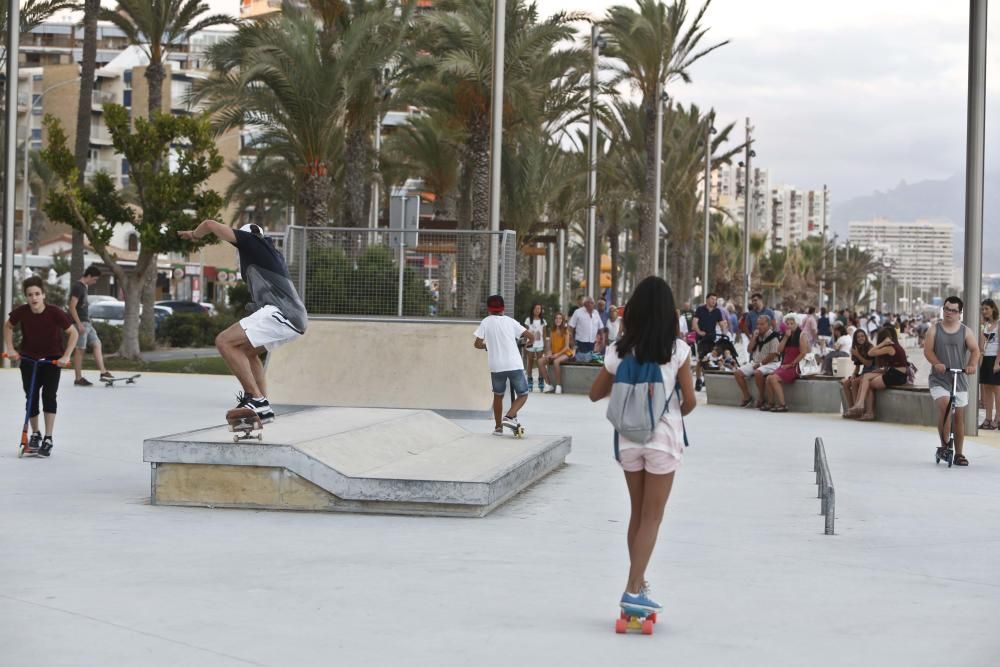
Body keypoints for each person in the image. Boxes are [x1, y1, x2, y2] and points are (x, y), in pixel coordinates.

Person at [587, 276, 696, 615]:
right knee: (653, 517)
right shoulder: (677, 350)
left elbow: (594, 393)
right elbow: (690, 401)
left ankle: (638, 581)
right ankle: (633, 589)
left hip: (628, 440)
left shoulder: (619, 350)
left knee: (637, 513)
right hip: (662, 439)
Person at [177, 221, 307, 424]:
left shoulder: (252, 241)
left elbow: (210, 224)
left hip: (283, 313)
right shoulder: (269, 254)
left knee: (224, 341)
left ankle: (255, 398)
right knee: (247, 352)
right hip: (292, 318)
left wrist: (195, 234)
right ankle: (263, 406)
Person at [3, 276, 78, 456]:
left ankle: (48, 438)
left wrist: (66, 355)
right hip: (29, 359)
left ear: (43, 295)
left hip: (51, 360)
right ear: (26, 297)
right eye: (30, 295)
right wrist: (11, 349)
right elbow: (7, 326)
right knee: (31, 397)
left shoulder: (55, 312)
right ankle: (35, 434)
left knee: (49, 396)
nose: (34, 298)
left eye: (37, 294)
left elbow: (73, 333)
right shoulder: (22, 312)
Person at [924, 296, 980, 466]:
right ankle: (945, 446)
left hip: (959, 378)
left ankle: (959, 454)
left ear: (959, 313)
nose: (949, 312)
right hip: (939, 378)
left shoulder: (965, 331)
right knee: (945, 405)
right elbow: (928, 351)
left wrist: (971, 365)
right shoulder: (934, 329)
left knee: (959, 418)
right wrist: (937, 363)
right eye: (946, 308)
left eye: (953, 310)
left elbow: (975, 350)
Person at [474, 295, 534, 435]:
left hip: (496, 366)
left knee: (498, 395)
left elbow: (477, 344)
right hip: (514, 364)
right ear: (503, 308)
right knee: (523, 394)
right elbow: (531, 336)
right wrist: (527, 344)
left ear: (489, 309)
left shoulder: (485, 322)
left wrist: (487, 346)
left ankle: (498, 427)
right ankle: (510, 416)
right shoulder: (510, 321)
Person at [845, 326, 909, 420]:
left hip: (897, 375)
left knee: (869, 383)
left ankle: (866, 409)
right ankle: (862, 407)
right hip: (894, 373)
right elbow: (891, 366)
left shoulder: (890, 347)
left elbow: (870, 353)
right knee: (867, 377)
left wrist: (883, 343)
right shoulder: (894, 347)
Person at [68, 264, 112, 386]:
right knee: (80, 350)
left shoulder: (84, 287)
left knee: (97, 344)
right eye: (95, 279)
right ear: (88, 276)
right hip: (80, 323)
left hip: (87, 323)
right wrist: (78, 324)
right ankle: (78, 378)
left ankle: (103, 372)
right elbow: (72, 307)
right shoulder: (78, 287)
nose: (95, 282)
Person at [763, 314, 809, 412]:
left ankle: (783, 405)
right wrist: (785, 338)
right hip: (785, 365)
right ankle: (771, 403)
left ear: (797, 324)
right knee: (768, 378)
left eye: (792, 323)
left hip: (795, 366)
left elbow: (803, 353)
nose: (789, 325)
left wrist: (791, 364)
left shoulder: (802, 335)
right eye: (787, 323)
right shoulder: (786, 335)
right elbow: (779, 349)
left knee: (774, 378)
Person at [734, 315, 781, 408]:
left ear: (768, 325)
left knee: (758, 372)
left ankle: (761, 397)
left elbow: (773, 354)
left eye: (762, 324)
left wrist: (760, 364)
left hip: (772, 363)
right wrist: (754, 338)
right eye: (758, 324)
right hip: (756, 362)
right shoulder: (758, 336)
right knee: (737, 373)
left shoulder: (773, 337)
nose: (759, 326)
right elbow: (749, 350)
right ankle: (747, 397)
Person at [692, 293, 723, 391]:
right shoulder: (700, 309)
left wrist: (724, 333)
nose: (714, 301)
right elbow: (694, 323)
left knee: (710, 359)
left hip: (712, 338)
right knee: (701, 360)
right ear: (707, 299)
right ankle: (698, 380)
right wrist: (699, 332)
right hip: (701, 339)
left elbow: (722, 323)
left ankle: (707, 378)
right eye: (712, 299)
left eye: (715, 299)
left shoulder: (717, 311)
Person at [842, 329, 876, 414]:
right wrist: (854, 374)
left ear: (866, 337)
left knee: (854, 382)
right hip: (864, 372)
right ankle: (851, 408)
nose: (861, 338)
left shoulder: (870, 347)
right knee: (846, 383)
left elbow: (868, 364)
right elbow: (857, 367)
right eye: (858, 337)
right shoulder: (857, 348)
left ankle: (857, 409)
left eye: (862, 336)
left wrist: (857, 354)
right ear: (855, 339)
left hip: (872, 371)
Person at [979, 299, 1000, 429]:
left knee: (997, 390)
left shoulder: (999, 324)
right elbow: (981, 347)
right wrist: (982, 325)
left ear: (993, 309)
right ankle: (988, 418)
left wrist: (998, 363)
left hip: (996, 359)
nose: (984, 311)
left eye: (986, 309)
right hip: (985, 359)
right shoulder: (984, 326)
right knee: (986, 389)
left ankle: (998, 418)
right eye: (982, 309)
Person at [542, 311, 574, 394]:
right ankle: (549, 384)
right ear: (554, 320)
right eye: (556, 318)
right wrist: (549, 354)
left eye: (560, 318)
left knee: (556, 362)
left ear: (562, 320)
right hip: (555, 353)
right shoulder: (552, 331)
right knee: (540, 361)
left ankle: (558, 385)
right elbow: (550, 346)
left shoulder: (565, 331)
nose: (558, 320)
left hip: (565, 353)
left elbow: (567, 347)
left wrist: (556, 355)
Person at [523, 303, 550, 393]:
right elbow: (526, 333)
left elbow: (544, 335)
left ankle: (540, 379)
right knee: (530, 362)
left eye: (539, 308)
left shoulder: (543, 321)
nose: (538, 310)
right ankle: (529, 380)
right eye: (536, 308)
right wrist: (525, 345)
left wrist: (545, 347)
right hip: (530, 345)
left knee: (539, 363)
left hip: (540, 345)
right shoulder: (528, 320)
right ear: (533, 310)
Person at [568, 296, 603, 363]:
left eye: (593, 303)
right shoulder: (577, 312)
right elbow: (570, 327)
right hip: (580, 343)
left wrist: (602, 339)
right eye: (590, 303)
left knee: (591, 363)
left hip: (593, 343)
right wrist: (571, 340)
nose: (592, 305)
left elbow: (600, 327)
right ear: (585, 304)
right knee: (580, 362)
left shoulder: (596, 313)